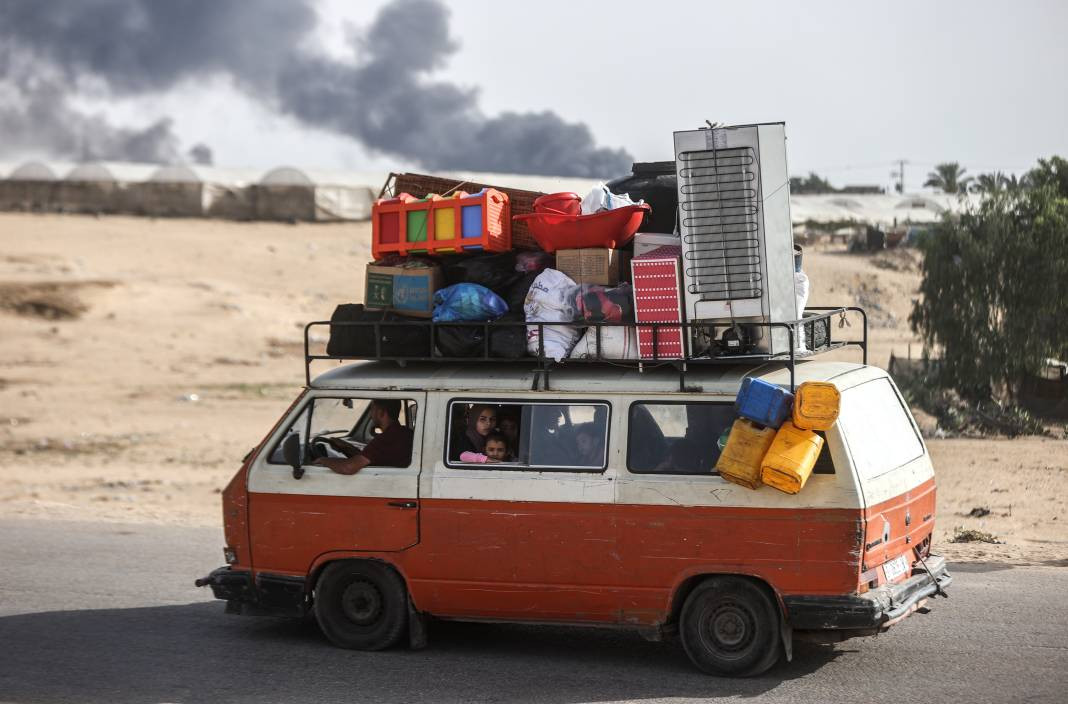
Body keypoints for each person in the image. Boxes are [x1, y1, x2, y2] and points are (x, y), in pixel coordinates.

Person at [314, 399, 413, 475]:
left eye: (372, 410)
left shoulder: (387, 438)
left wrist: (323, 460)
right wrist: (346, 447)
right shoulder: (405, 433)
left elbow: (349, 467)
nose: (371, 414)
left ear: (381, 412)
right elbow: (368, 457)